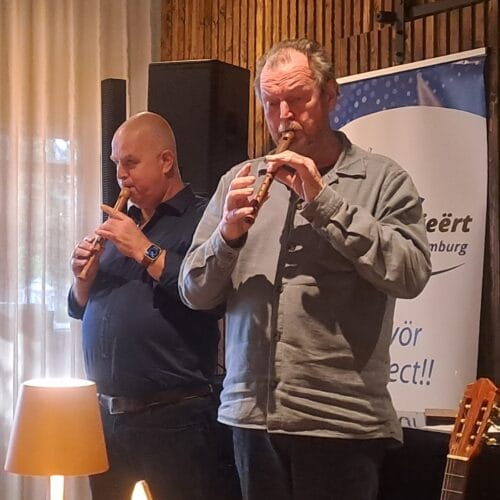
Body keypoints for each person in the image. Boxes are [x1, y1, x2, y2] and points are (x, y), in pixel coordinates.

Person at [179, 39, 432, 500]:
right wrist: (227, 236)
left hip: (341, 421)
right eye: (271, 103)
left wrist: (324, 202)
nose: (284, 116)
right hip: (249, 416)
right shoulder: (238, 180)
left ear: (330, 96)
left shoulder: (383, 179)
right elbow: (194, 291)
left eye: (297, 99)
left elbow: (411, 273)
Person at [68, 112, 222, 500]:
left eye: (131, 162)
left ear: (166, 161)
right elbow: (82, 308)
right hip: (107, 416)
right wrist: (82, 280)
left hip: (175, 416)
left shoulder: (203, 219)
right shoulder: (124, 223)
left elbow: (207, 295)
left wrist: (143, 248)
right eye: (116, 164)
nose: (121, 175)